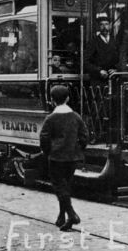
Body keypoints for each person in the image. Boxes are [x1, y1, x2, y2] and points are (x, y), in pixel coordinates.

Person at [39, 85, 88, 231]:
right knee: (66, 186)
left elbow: (44, 138)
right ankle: (62, 217)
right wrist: (78, 149)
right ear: (68, 98)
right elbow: (84, 136)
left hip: (56, 158)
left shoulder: (51, 118)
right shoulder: (76, 116)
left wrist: (47, 152)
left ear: (52, 100)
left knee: (59, 187)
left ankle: (72, 215)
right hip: (72, 157)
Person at [84, 13, 119, 88]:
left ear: (110, 26)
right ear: (98, 27)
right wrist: (98, 71)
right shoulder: (93, 42)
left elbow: (121, 58)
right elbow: (85, 61)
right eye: (101, 25)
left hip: (113, 79)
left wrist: (116, 69)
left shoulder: (115, 42)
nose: (104, 27)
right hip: (97, 81)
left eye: (106, 24)